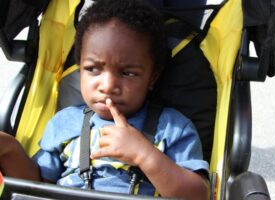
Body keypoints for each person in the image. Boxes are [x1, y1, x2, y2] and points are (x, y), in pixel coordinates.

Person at [0, 0, 209, 199]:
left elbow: (198, 195)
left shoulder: (172, 128)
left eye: (128, 73)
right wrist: (9, 148)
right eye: (92, 69)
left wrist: (145, 155)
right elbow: (36, 189)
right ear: (80, 69)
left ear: (152, 78)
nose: (108, 86)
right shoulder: (63, 123)